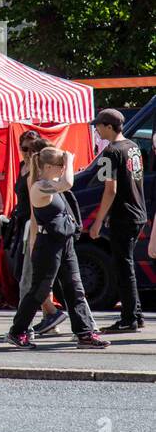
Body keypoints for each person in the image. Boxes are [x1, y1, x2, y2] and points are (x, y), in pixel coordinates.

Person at [7, 148, 110, 349]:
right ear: (47, 167)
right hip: (48, 245)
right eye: (59, 166)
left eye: (63, 166)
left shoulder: (53, 186)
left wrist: (66, 162)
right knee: (40, 290)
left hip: (65, 242)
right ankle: (17, 331)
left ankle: (85, 332)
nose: (63, 169)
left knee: (75, 288)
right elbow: (68, 182)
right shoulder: (39, 186)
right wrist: (69, 160)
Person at [88, 108, 147, 332]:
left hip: (123, 215)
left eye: (99, 125)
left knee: (123, 267)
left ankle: (129, 318)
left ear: (109, 127)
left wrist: (98, 220)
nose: (96, 129)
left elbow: (109, 189)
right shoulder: (132, 147)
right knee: (126, 265)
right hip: (137, 211)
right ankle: (135, 313)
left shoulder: (111, 151)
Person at [10, 133, 65, 335]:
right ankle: (49, 317)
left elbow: (35, 208)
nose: (27, 153)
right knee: (36, 277)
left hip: (36, 227)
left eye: (32, 149)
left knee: (30, 278)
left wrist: (33, 235)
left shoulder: (39, 173)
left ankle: (26, 324)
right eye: (23, 148)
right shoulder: (22, 168)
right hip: (24, 226)